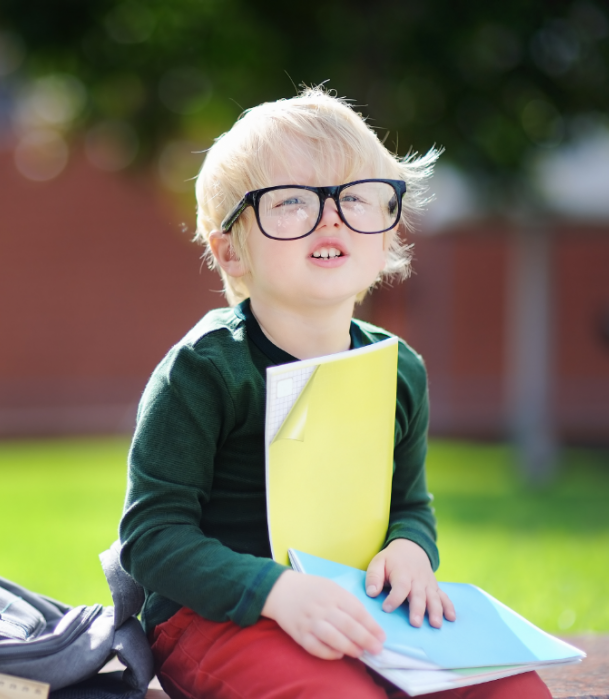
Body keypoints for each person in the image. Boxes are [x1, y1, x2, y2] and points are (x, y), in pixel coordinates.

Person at [118, 86, 551, 698]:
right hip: (216, 618)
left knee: (514, 690)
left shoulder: (398, 370)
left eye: (356, 198)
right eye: (291, 201)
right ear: (229, 251)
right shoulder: (205, 371)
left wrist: (410, 551)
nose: (331, 216)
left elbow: (410, 506)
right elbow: (153, 538)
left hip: (358, 607)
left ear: (386, 231)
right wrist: (275, 592)